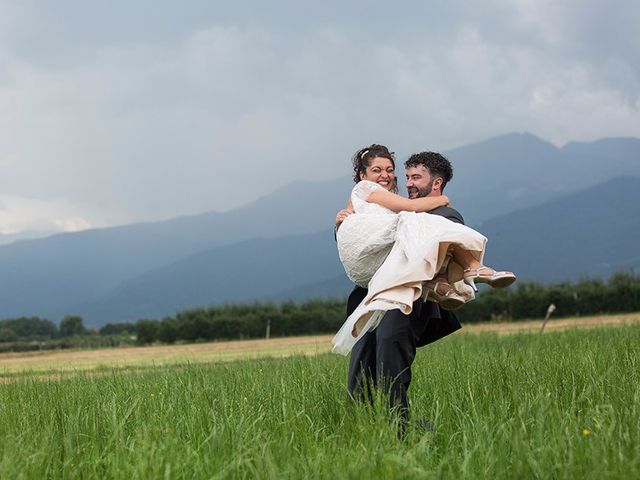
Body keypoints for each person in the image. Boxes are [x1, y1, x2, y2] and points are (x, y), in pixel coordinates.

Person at [333, 145, 515, 423]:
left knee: (390, 358)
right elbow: (369, 242)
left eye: (414, 177)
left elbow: (434, 233)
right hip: (374, 296)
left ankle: (400, 425)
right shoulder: (383, 207)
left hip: (411, 300)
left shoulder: (446, 215)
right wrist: (344, 224)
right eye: (404, 176)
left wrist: (440, 203)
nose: (406, 183)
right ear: (362, 174)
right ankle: (366, 426)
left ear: (436, 182)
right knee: (361, 368)